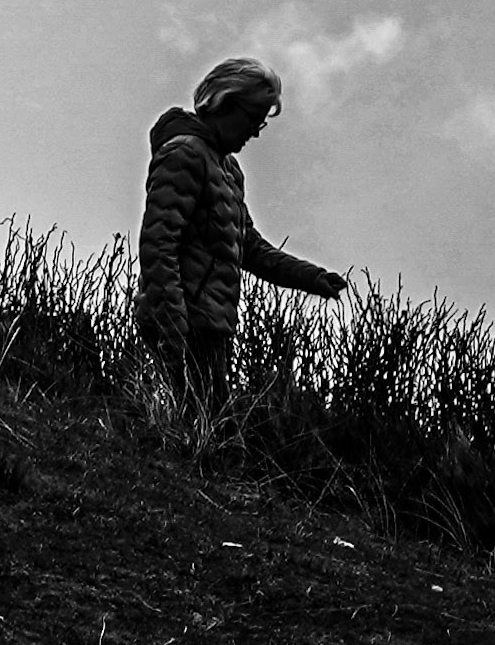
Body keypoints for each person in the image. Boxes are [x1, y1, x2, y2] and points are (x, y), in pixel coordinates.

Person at [135, 53, 347, 410]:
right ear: (225, 103)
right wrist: (174, 329)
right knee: (196, 438)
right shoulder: (184, 155)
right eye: (253, 119)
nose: (254, 132)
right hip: (183, 326)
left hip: (211, 329)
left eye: (261, 124)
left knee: (214, 435)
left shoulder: (229, 170)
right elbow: (158, 244)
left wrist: (312, 278)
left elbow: (248, 246)